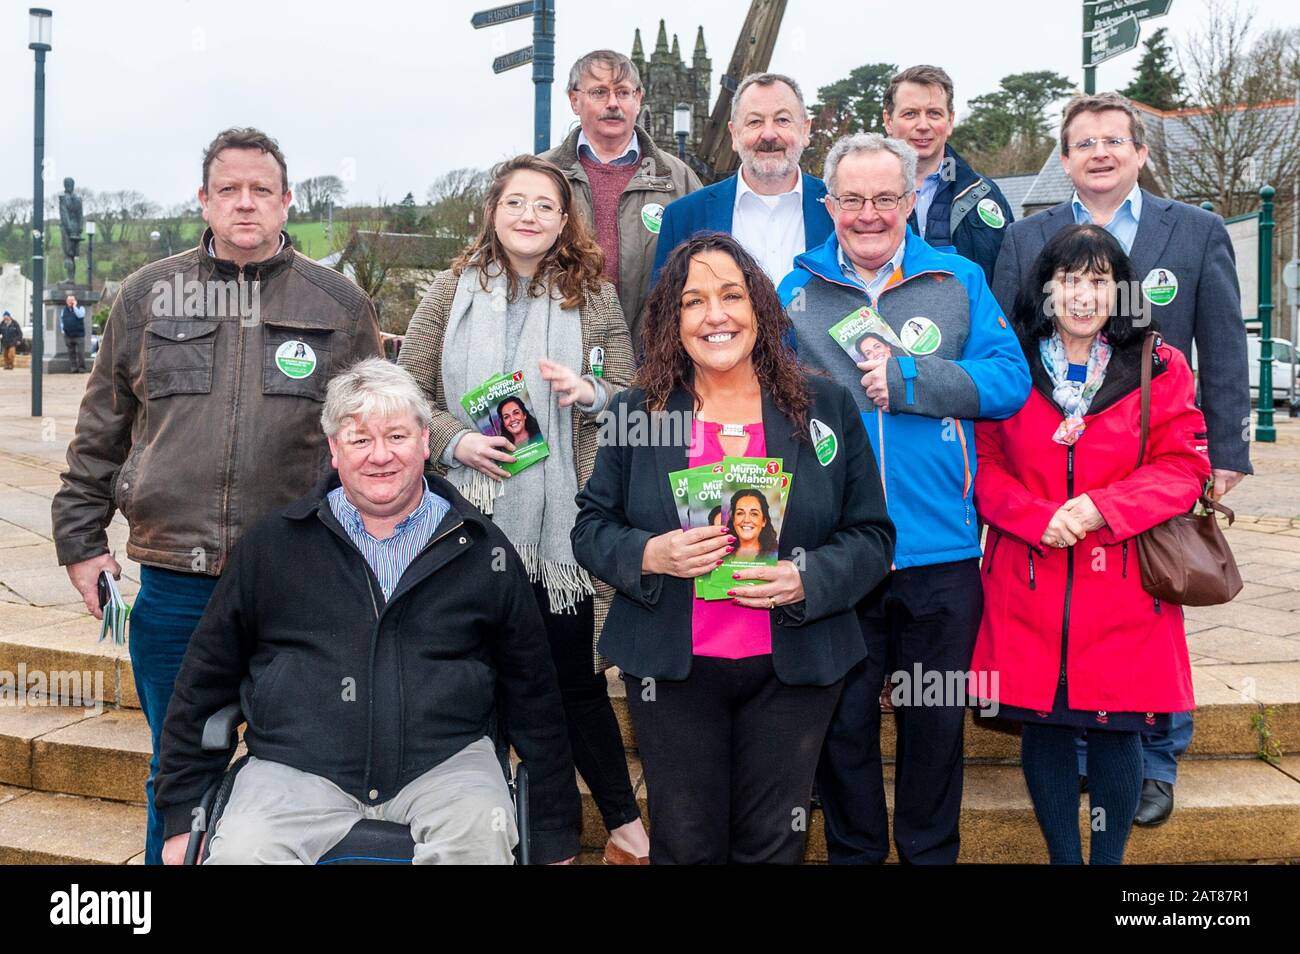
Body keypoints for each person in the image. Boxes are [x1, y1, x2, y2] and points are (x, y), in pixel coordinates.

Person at [50, 127, 384, 865]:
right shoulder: (146, 297)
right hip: (173, 584)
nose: (244, 203)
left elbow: (376, 440)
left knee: (300, 772)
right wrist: (79, 542)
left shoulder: (339, 305)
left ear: (286, 201)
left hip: (299, 581)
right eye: (227, 189)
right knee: (176, 771)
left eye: (260, 190)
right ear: (202, 199)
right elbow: (101, 428)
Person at [155, 359, 581, 865]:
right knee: (242, 852)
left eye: (397, 436)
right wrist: (183, 816)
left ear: (426, 440)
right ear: (334, 450)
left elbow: (535, 696)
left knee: (478, 844)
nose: (381, 456)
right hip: (293, 769)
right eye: (360, 440)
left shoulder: (482, 551)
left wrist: (554, 835)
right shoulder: (271, 549)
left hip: (448, 767)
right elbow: (202, 685)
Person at [572, 232, 896, 864]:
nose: (715, 315)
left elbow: (873, 537)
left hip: (793, 669)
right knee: (686, 843)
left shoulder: (823, 402)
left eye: (731, 295)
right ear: (673, 320)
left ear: (760, 310)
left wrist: (807, 577)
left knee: (775, 843)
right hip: (674, 669)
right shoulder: (638, 410)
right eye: (694, 302)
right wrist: (652, 553)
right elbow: (590, 528)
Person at [991, 92, 1251, 825]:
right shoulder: (1027, 236)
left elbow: (1223, 341)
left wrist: (1225, 450)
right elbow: (1011, 346)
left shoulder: (1194, 229)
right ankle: (1080, 755)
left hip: (1151, 461)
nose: (1100, 152)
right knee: (1072, 615)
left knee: (1157, 601)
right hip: (1056, 466)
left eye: (1115, 139)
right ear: (1065, 159)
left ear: (1141, 152)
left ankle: (1157, 759)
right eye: (1083, 142)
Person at [778, 132, 1030, 864]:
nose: (868, 214)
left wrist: (917, 381)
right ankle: (856, 856)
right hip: (837, 554)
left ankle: (929, 856)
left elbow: (1009, 382)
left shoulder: (958, 282)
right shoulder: (792, 293)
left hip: (939, 552)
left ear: (912, 200)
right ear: (827, 205)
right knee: (842, 726)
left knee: (935, 728)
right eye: (851, 199)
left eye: (886, 197)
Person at [397, 154, 648, 864]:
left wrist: (589, 393)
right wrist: (457, 442)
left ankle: (622, 825)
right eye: (517, 203)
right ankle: (538, 836)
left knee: (573, 678)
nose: (529, 216)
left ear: (564, 220)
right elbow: (409, 392)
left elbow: (631, 391)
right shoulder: (452, 292)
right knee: (492, 680)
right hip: (469, 528)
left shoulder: (593, 298)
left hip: (563, 532)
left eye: (544, 205)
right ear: (494, 212)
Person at [970, 224, 1210, 863]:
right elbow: (981, 469)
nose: (1082, 295)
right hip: (1029, 577)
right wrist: (1033, 515)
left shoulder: (1158, 364)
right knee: (1044, 729)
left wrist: (1104, 507)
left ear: (1120, 290)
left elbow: (1185, 466)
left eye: (1098, 280)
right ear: (1045, 288)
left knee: (1117, 730)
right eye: (1069, 279)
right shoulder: (1006, 363)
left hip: (1126, 582)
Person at [539, 49, 702, 348]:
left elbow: (708, 272)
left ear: (638, 99)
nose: (613, 103)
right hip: (557, 357)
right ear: (575, 100)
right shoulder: (540, 175)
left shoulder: (679, 179)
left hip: (655, 362)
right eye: (599, 92)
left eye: (623, 92)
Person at [652, 72, 832, 284]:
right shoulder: (683, 217)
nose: (768, 135)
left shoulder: (840, 211)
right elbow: (664, 311)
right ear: (734, 134)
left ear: (805, 130)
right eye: (754, 122)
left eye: (782, 120)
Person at [883, 65, 1015, 285]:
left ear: (950, 121)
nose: (923, 125)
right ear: (889, 121)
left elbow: (1009, 281)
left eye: (934, 113)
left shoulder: (986, 196)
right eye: (910, 114)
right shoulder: (859, 198)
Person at [726, 489, 778, 560]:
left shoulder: (774, 556)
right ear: (733, 520)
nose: (746, 520)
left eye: (754, 514)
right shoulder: (723, 553)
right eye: (740, 513)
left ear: (764, 521)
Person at [60, 293, 87, 373]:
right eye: (69, 300)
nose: (70, 302)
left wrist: (74, 306)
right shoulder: (64, 310)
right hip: (68, 335)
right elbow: (61, 321)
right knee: (71, 353)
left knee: (81, 353)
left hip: (79, 335)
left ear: (75, 301)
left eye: (72, 300)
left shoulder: (80, 308)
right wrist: (63, 330)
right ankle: (73, 368)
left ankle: (82, 368)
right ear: (66, 301)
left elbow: (80, 315)